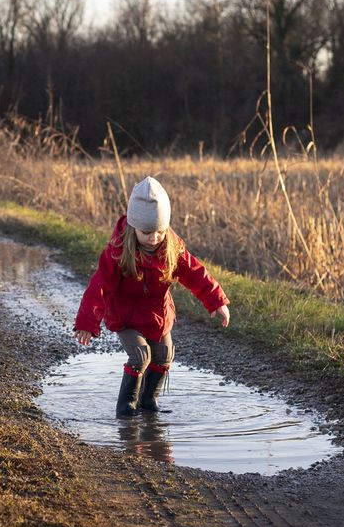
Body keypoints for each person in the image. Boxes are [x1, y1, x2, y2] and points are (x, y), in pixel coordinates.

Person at [73, 176, 231, 417]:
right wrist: (87, 323)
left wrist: (216, 301)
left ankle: (149, 400)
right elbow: (99, 288)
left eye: (159, 231)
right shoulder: (117, 252)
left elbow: (196, 274)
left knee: (165, 354)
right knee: (140, 355)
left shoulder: (171, 248)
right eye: (147, 232)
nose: (154, 238)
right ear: (134, 226)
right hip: (126, 317)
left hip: (158, 315)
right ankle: (126, 405)